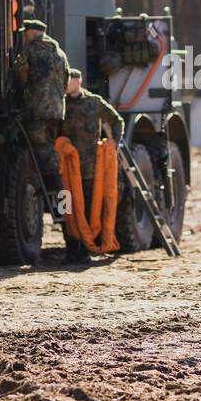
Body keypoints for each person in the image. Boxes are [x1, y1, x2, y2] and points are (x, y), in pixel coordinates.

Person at [60, 68, 124, 263]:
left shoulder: (94, 102)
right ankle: (71, 251)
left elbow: (116, 120)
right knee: (66, 208)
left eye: (69, 80)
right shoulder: (61, 104)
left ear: (78, 81)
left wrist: (114, 142)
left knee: (88, 209)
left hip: (90, 168)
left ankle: (85, 249)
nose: (66, 83)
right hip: (68, 169)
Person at [14, 19, 70, 208]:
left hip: (37, 109)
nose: (24, 35)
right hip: (56, 110)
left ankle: (59, 200)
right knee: (47, 149)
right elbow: (66, 81)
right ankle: (52, 192)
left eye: (26, 32)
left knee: (43, 151)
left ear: (32, 33)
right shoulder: (60, 53)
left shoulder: (30, 51)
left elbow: (20, 76)